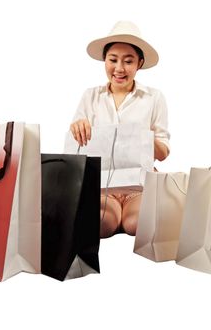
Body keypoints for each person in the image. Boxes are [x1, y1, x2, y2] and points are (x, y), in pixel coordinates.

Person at [70, 21, 170, 238]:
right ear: (104, 61)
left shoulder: (154, 98)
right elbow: (75, 143)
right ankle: (116, 218)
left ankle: (127, 218)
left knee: (136, 224)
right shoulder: (91, 96)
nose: (119, 69)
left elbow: (163, 153)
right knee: (102, 223)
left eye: (128, 61)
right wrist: (78, 127)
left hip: (139, 185)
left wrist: (141, 139)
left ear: (139, 63)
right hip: (103, 184)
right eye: (113, 60)